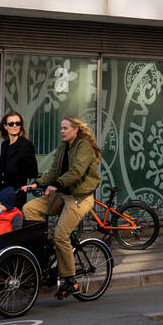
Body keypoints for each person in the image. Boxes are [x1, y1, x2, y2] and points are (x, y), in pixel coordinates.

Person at [21, 116, 101, 299]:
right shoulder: (64, 147)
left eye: (65, 128)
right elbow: (54, 172)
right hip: (63, 195)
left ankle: (70, 280)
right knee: (30, 209)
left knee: (61, 236)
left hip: (80, 198)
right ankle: (48, 246)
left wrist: (56, 184)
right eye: (61, 128)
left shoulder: (84, 147)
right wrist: (36, 184)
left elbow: (76, 172)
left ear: (76, 129)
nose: (62, 131)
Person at [0, 112, 37, 201]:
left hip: (16, 192)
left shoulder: (26, 144)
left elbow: (33, 171)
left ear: (21, 126)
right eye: (11, 123)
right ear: (5, 126)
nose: (14, 126)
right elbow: (2, 164)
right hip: (1, 191)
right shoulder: (5, 144)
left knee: (14, 215)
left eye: (18, 123)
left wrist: (16, 171)